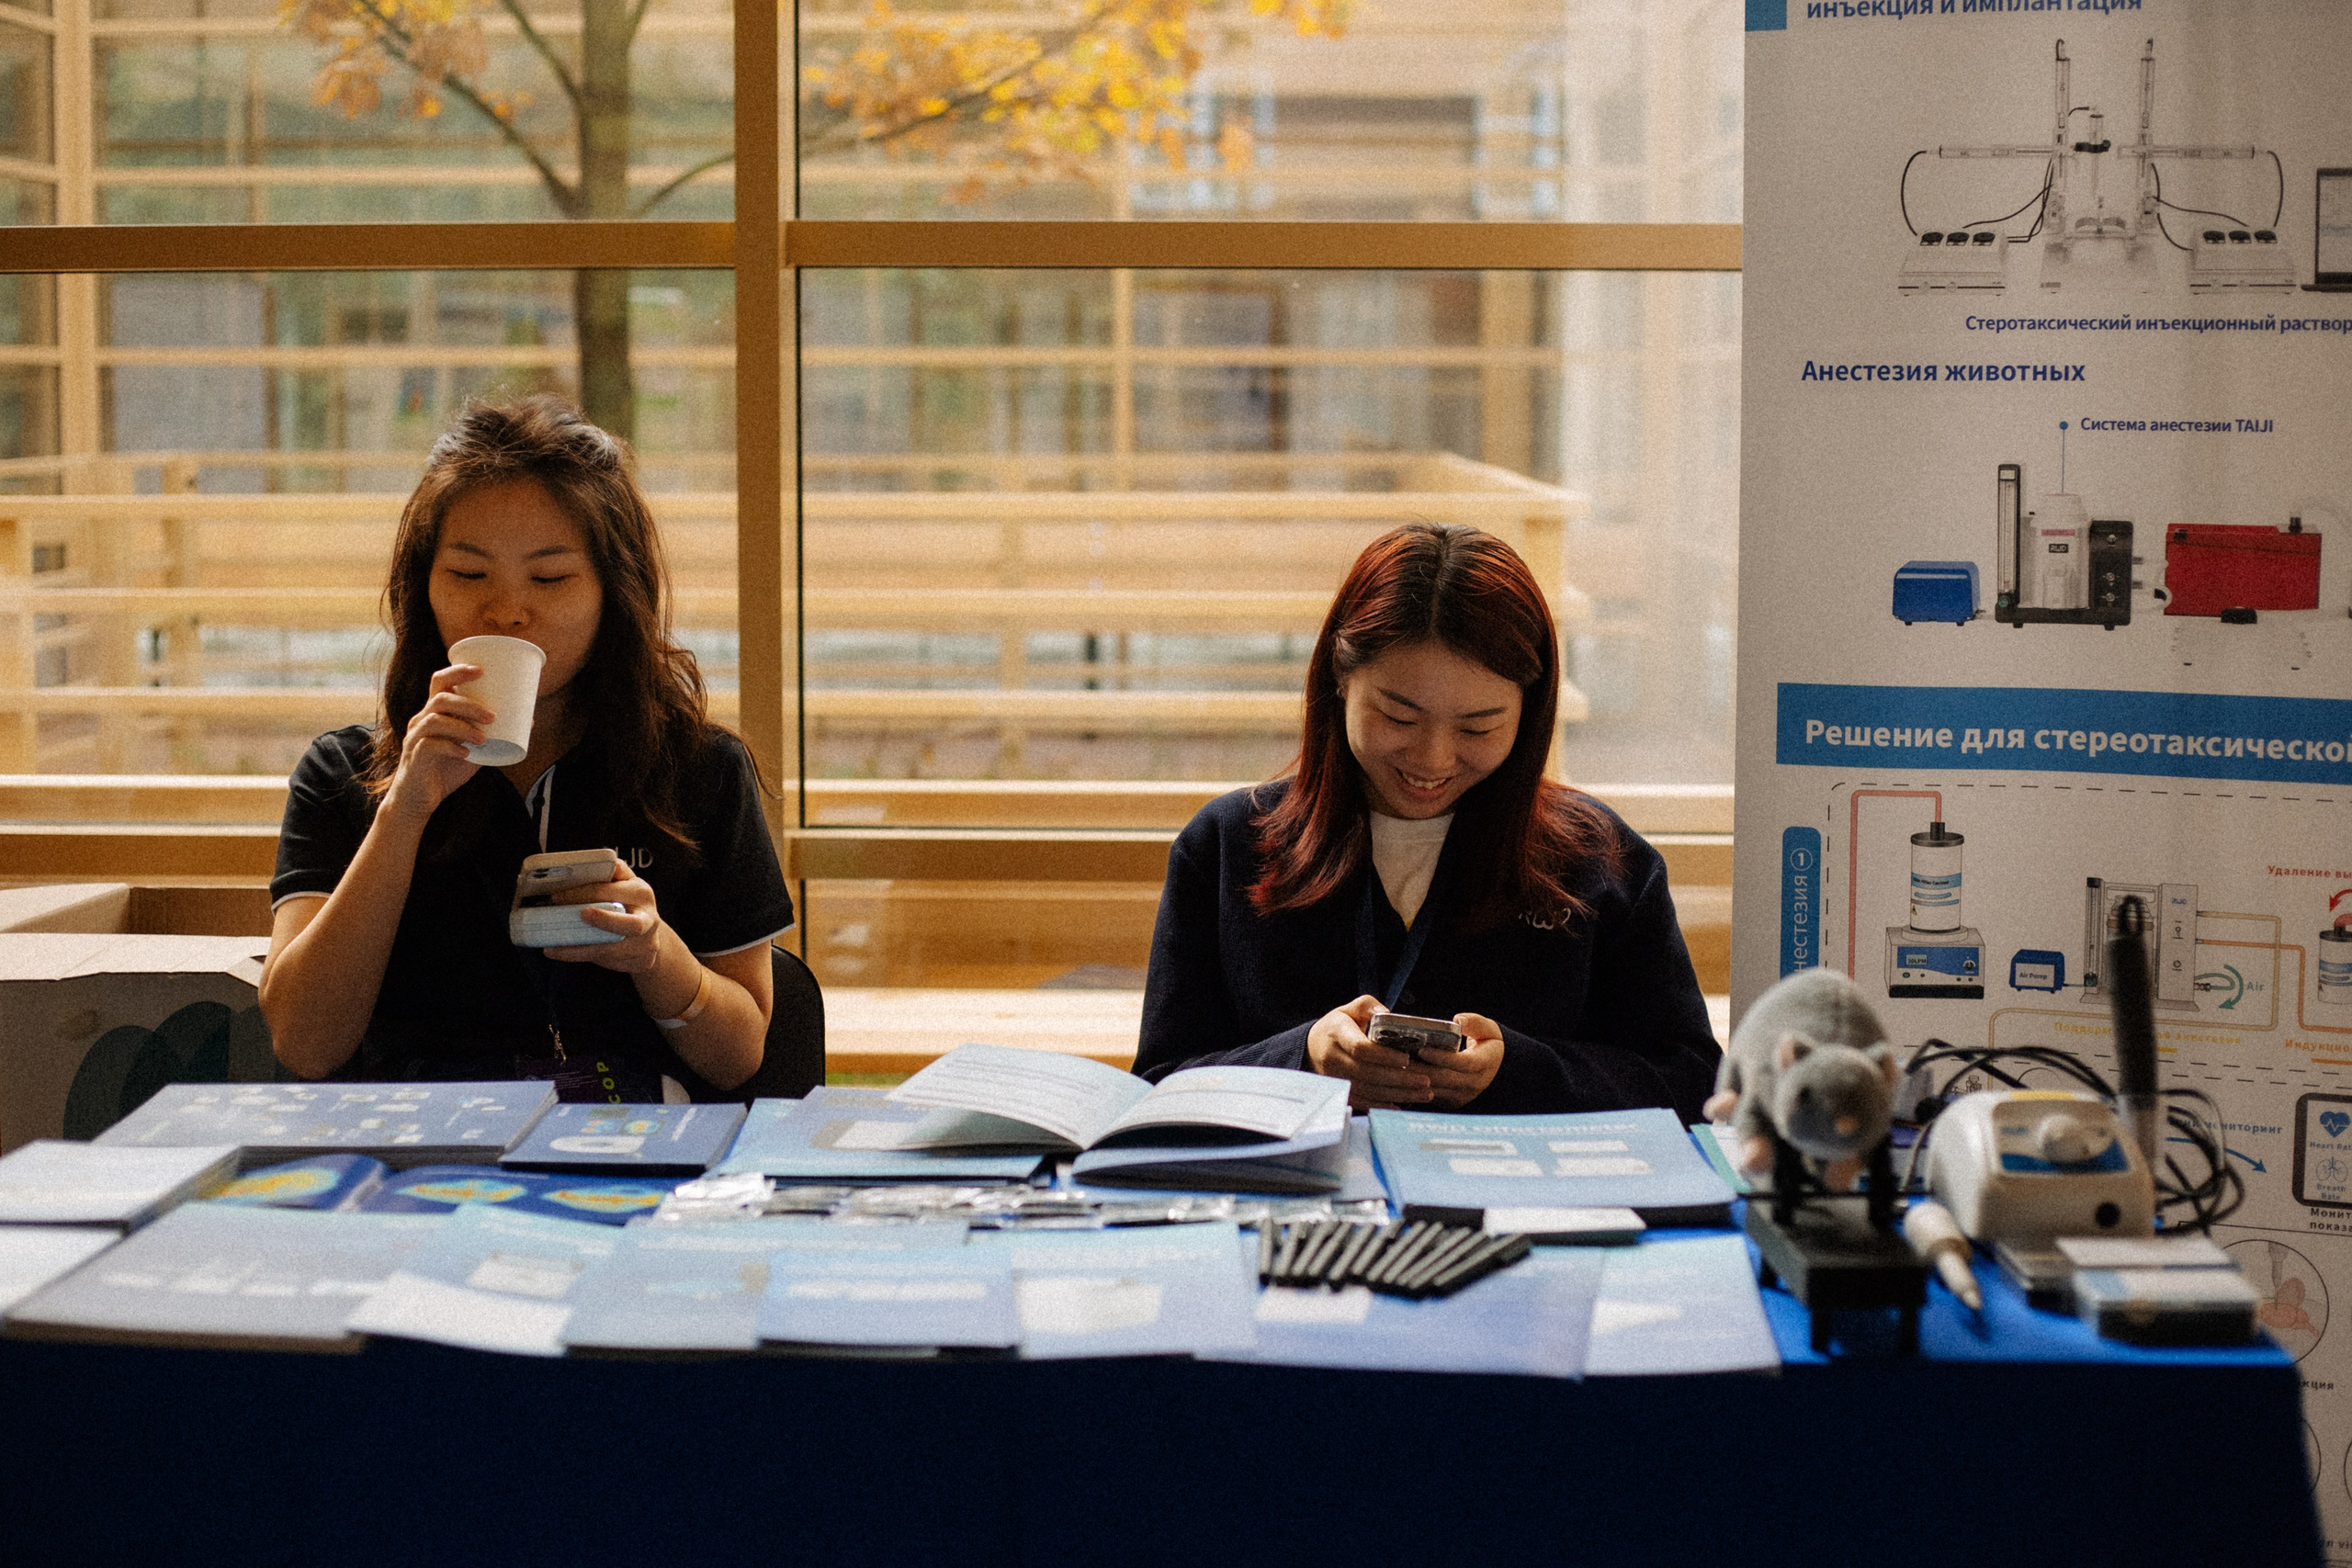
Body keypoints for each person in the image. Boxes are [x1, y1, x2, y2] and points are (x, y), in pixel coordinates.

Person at [260, 395, 795, 1102]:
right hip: (425, 1158)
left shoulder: (697, 773)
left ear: (615, 590)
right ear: (422, 587)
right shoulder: (345, 773)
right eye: (468, 574)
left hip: (627, 1154)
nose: (507, 609)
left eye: (550, 578)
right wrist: (404, 809)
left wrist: (654, 953)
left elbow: (739, 1056)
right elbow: (304, 1044)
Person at [1135, 521, 1721, 1121]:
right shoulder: (1225, 846)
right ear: (1340, 675)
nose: (1432, 759)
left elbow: (1694, 1080)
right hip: (1300, 1211)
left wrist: (1518, 1069)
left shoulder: (1603, 862)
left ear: (1531, 709)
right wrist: (1302, 1057)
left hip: (1510, 1209)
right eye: (1399, 716)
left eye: (1478, 726)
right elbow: (1159, 1083)